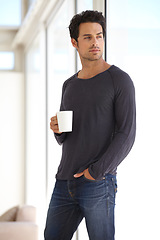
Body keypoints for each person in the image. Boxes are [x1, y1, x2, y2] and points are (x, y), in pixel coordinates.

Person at [44, 10, 136, 240]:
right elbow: (68, 135)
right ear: (74, 42)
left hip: (98, 182)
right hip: (64, 181)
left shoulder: (120, 80)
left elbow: (126, 134)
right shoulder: (69, 85)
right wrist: (58, 130)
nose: (95, 42)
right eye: (88, 37)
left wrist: (95, 173)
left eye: (99, 35)